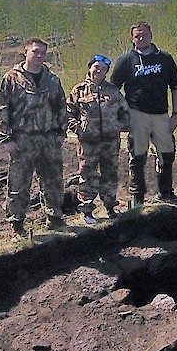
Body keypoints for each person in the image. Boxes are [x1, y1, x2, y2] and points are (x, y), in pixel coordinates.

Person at [0, 37, 68, 233]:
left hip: (49, 139)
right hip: (22, 140)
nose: (39, 56)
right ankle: (17, 223)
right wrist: (6, 138)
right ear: (25, 52)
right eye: (35, 51)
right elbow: (3, 109)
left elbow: (61, 107)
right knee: (19, 184)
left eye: (43, 53)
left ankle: (54, 218)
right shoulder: (11, 78)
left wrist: (62, 132)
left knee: (53, 181)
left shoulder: (52, 80)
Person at [109, 21, 177, 207]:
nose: (140, 38)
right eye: (137, 35)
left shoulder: (165, 58)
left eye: (144, 34)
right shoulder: (125, 61)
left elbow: (175, 87)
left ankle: (165, 193)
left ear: (151, 35)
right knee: (138, 158)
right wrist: (120, 115)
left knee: (167, 155)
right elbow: (113, 91)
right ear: (132, 38)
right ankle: (138, 197)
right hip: (136, 116)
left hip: (161, 115)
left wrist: (175, 114)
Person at [67, 54, 132, 224]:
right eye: (96, 67)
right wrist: (78, 128)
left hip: (110, 142)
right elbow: (68, 113)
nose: (99, 71)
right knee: (87, 175)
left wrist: (119, 127)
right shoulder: (78, 90)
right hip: (88, 143)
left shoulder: (113, 91)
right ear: (90, 67)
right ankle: (87, 211)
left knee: (110, 174)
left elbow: (125, 112)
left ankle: (110, 206)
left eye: (103, 69)